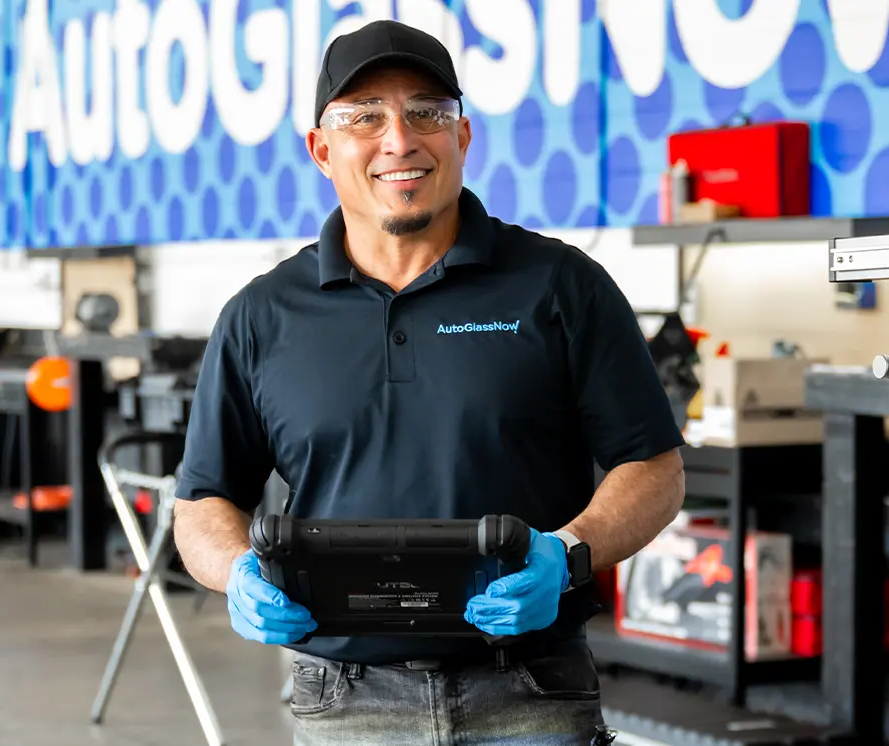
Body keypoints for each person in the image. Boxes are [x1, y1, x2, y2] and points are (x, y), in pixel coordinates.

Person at [171, 19, 686, 746]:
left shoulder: (561, 287)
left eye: (426, 112)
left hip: (529, 693)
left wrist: (566, 552)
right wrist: (235, 572)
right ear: (322, 150)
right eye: (363, 117)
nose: (399, 138)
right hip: (345, 702)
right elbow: (201, 501)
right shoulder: (262, 315)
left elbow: (655, 469)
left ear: (463, 137)